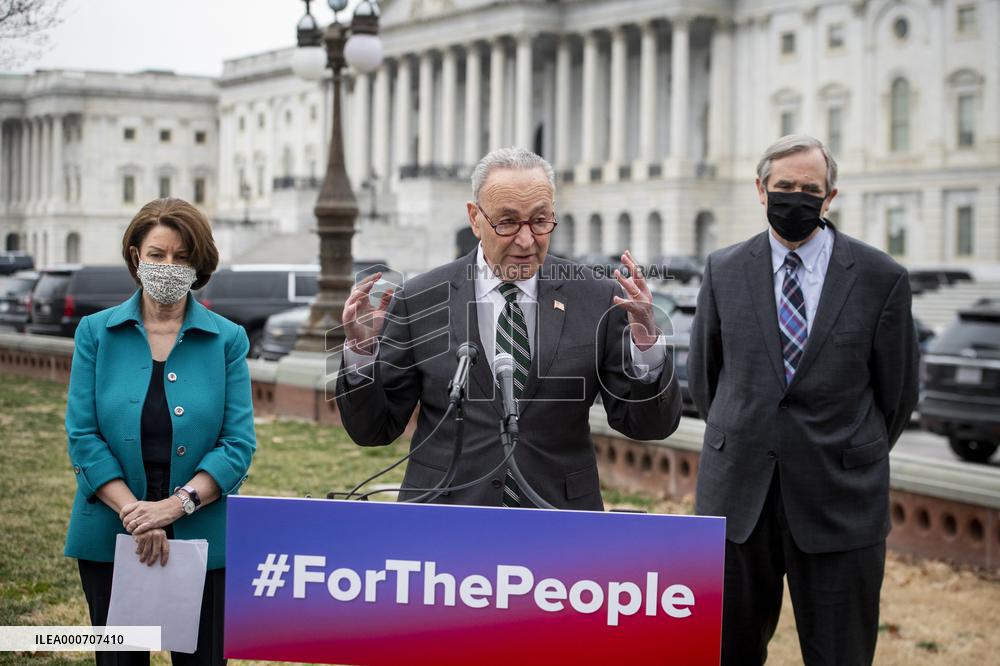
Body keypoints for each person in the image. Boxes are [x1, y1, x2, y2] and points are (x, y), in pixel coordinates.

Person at [335, 147, 682, 509]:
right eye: (508, 222)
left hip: (558, 526)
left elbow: (649, 426)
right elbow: (373, 430)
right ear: (475, 218)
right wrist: (361, 355)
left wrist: (646, 344)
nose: (526, 240)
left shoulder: (597, 297)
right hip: (445, 523)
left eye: (540, 221)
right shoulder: (421, 298)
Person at [688, 135, 919, 665]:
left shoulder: (882, 277)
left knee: (840, 655)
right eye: (784, 187)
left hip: (840, 500)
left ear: (830, 196)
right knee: (726, 652)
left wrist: (844, 447)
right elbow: (707, 381)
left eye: (809, 189)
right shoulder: (724, 270)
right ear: (761, 190)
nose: (797, 197)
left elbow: (897, 395)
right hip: (738, 502)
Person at [64, 198, 256, 666]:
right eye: (157, 254)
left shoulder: (227, 339)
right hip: (111, 532)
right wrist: (136, 514)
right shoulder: (95, 333)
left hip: (202, 534)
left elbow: (237, 445)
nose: (169, 266)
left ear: (198, 263)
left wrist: (174, 506)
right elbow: (83, 437)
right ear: (135, 256)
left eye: (182, 256)